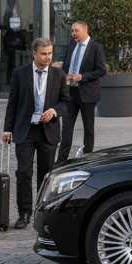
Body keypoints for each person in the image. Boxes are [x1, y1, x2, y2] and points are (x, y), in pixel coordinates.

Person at [2, 37, 69, 229]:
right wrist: (7, 129)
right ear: (34, 54)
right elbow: (12, 104)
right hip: (25, 130)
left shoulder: (59, 75)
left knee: (46, 175)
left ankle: (44, 212)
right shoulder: (19, 74)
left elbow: (66, 102)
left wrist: (54, 111)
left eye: (50, 53)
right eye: (43, 54)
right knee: (23, 171)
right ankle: (24, 213)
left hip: (48, 131)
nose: (47, 57)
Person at [55, 19, 106, 163]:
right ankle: (61, 160)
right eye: (72, 31)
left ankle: (87, 159)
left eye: (76, 31)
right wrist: (64, 78)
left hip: (88, 94)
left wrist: (82, 77)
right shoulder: (72, 45)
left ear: (85, 29)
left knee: (88, 129)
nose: (73, 34)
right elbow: (66, 65)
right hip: (70, 93)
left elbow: (102, 70)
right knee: (66, 128)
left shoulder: (96, 47)